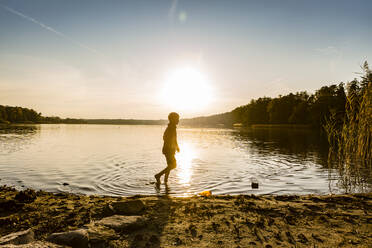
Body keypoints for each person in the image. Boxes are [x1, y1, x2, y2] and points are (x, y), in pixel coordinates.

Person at [155, 112, 180, 185]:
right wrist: (172, 145)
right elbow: (165, 137)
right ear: (172, 119)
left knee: (169, 165)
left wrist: (177, 146)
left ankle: (166, 181)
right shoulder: (171, 127)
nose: (178, 120)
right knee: (173, 165)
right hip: (168, 149)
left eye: (178, 119)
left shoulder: (172, 127)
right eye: (177, 119)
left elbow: (174, 138)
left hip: (169, 149)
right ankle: (158, 175)